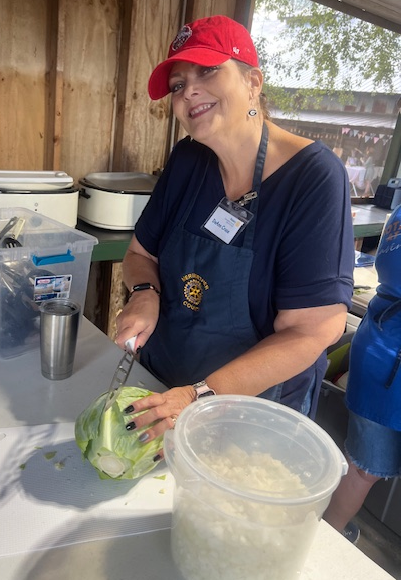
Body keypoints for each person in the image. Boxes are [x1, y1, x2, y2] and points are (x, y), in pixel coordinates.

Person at [115, 15, 355, 450]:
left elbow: (314, 330)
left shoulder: (315, 178)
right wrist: (144, 292)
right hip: (163, 387)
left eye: (207, 71)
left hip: (252, 415)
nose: (188, 91)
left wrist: (199, 397)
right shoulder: (188, 160)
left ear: (253, 82)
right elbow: (138, 255)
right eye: (177, 84)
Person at [323, 204, 401, 543]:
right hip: (392, 363)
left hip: (378, 346)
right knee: (361, 469)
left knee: (359, 469)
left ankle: (321, 538)